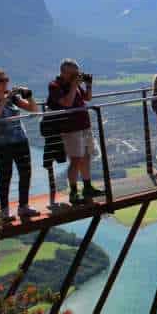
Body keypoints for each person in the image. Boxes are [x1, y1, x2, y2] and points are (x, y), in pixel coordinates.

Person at [0, 70, 40, 222]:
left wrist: (29, 96)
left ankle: (23, 206)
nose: (6, 82)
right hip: (1, 144)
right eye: (2, 80)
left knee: (25, 172)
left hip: (20, 139)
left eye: (6, 79)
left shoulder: (11, 97)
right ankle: (4, 211)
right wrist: (6, 98)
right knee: (6, 175)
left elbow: (33, 109)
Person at [47, 59, 100, 205]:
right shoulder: (55, 86)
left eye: (77, 73)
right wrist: (74, 85)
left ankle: (87, 187)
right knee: (76, 160)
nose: (76, 76)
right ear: (63, 73)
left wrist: (88, 85)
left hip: (84, 125)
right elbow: (67, 103)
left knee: (87, 156)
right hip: (70, 129)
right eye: (73, 74)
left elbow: (87, 98)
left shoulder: (74, 84)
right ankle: (73, 192)